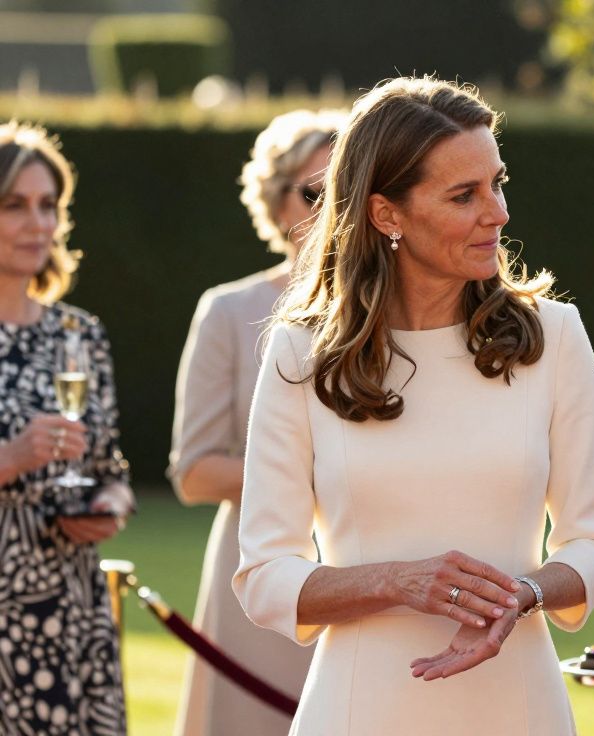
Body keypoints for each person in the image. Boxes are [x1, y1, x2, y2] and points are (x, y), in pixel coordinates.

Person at [232, 76, 594, 734]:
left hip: (516, 706)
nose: (497, 212)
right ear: (387, 214)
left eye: (497, 184)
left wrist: (525, 595)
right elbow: (265, 575)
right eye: (464, 195)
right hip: (359, 709)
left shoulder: (554, 337)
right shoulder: (300, 355)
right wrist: (397, 581)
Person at [170, 108, 343, 736]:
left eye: (347, 188)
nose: (332, 208)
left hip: (372, 563)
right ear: (275, 207)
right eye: (313, 192)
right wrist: (319, 477)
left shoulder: (404, 312)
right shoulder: (228, 311)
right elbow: (193, 473)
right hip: (262, 568)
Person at [0, 121, 135, 734]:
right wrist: (12, 458)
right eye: (15, 205)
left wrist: (110, 504)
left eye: (48, 205)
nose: (38, 223)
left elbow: (109, 467)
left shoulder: (79, 335)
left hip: (70, 610)